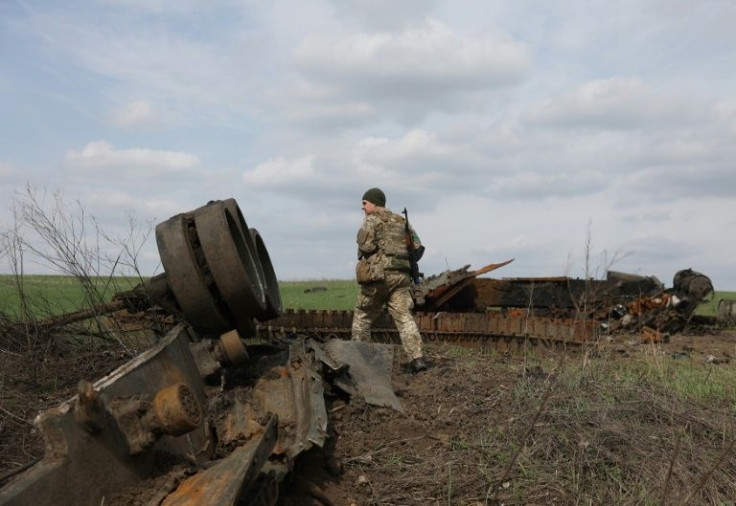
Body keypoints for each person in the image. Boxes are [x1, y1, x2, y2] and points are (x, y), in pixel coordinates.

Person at [350, 187, 428, 373]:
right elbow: (417, 246)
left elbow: (365, 245)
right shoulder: (402, 221)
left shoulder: (371, 220)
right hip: (402, 278)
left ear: (374, 203)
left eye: (364, 203)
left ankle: (362, 361)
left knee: (363, 316)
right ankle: (417, 359)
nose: (362, 207)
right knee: (403, 317)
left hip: (379, 276)